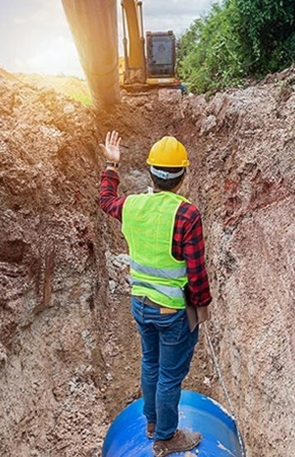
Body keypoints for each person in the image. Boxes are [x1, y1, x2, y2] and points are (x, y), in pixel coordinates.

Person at [99, 130, 211, 456]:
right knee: (169, 375)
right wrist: (201, 304)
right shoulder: (186, 214)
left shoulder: (133, 206)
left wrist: (111, 165)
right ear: (183, 175)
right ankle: (166, 436)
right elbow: (196, 270)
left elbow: (106, 200)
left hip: (140, 304)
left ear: (151, 172)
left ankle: (150, 422)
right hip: (172, 311)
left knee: (150, 363)